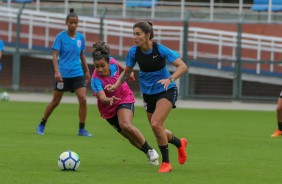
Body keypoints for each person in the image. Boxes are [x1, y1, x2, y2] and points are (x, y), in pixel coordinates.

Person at [105, 21, 189, 173]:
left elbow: (183, 66)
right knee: (158, 129)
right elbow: (126, 71)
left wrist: (170, 79)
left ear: (147, 35)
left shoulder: (160, 49)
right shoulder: (133, 52)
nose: (135, 37)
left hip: (166, 90)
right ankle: (179, 143)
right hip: (148, 94)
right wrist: (116, 85)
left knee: (156, 124)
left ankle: (166, 163)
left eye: (138, 34)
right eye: (134, 34)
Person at [90, 41, 159, 165]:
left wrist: (130, 72)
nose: (100, 69)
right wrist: (109, 100)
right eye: (97, 66)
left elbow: (123, 67)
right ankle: (147, 153)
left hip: (124, 97)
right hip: (108, 109)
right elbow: (102, 97)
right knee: (129, 136)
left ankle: (150, 150)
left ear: (108, 63)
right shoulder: (95, 80)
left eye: (102, 66)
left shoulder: (112, 61)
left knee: (125, 125)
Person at [36, 8, 92, 137]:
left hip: (77, 73)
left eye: (75, 23)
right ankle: (42, 124)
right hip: (63, 75)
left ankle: (82, 129)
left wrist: (87, 70)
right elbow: (55, 55)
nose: (73, 25)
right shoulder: (60, 37)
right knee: (55, 101)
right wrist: (57, 72)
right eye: (71, 22)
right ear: (66, 22)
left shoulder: (80, 38)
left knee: (83, 99)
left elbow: (82, 55)